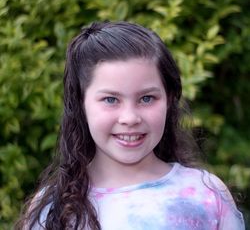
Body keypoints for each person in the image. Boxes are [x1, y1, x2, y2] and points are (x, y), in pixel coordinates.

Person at [16, 21, 245, 230]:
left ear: (169, 99)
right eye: (110, 100)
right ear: (80, 104)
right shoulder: (53, 209)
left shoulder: (206, 195)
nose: (130, 118)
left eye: (146, 98)